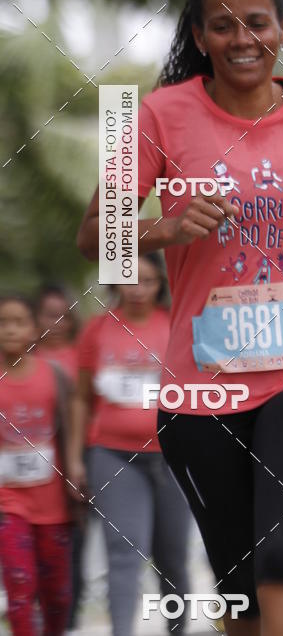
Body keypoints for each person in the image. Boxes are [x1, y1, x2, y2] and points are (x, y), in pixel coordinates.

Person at [77, 0, 283, 636]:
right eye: (222, 26)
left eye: (256, 22)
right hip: (200, 386)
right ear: (199, 35)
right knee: (241, 590)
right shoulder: (159, 117)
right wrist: (168, 227)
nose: (242, 39)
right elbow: (95, 234)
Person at [67, 253, 191, 636]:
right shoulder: (96, 330)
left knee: (172, 558)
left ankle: (178, 628)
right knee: (124, 552)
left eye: (149, 280)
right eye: (131, 280)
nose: (139, 289)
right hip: (112, 456)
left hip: (173, 456)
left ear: (161, 285)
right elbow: (81, 397)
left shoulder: (177, 323)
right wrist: (74, 459)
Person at [0, 294, 72, 635]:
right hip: (7, 502)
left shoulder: (53, 375)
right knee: (20, 585)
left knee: (57, 592)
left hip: (52, 503)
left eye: (19, 322)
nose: (10, 330)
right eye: (3, 323)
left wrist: (75, 470)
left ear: (33, 329)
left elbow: (70, 428)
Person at [35, 284, 85, 634]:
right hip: (37, 471)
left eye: (63, 315)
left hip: (81, 461)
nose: (57, 323)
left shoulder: (82, 353)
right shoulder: (22, 357)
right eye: (49, 315)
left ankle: (67, 623)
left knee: (74, 549)